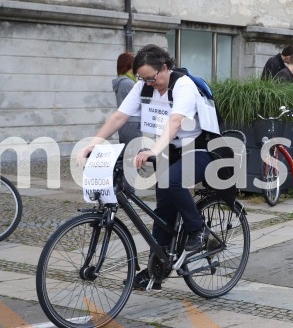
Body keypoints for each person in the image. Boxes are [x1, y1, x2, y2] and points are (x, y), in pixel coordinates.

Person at [79, 44, 214, 289]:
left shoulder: (183, 86)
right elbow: (120, 116)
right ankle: (157, 270)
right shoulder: (144, 86)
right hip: (169, 151)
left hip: (199, 149)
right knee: (162, 210)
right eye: (142, 79)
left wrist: (153, 150)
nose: (148, 83)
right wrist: (93, 143)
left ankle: (198, 230)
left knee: (171, 181)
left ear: (164, 68)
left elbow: (174, 123)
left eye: (151, 78)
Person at [112, 52, 141, 146]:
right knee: (134, 153)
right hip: (132, 123)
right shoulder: (128, 83)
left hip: (125, 123)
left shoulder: (121, 81)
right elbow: (140, 103)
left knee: (128, 153)